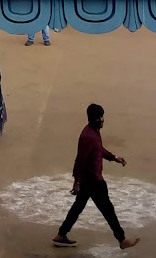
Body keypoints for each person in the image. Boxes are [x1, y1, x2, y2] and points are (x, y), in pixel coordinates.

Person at [53, 103, 139, 250]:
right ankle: (122, 239)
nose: (102, 119)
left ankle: (61, 234)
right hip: (93, 181)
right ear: (92, 118)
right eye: (99, 117)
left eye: (102, 116)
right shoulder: (88, 136)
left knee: (78, 207)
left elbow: (99, 150)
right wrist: (76, 182)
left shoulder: (93, 132)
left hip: (88, 180)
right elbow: (80, 160)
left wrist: (114, 157)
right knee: (108, 210)